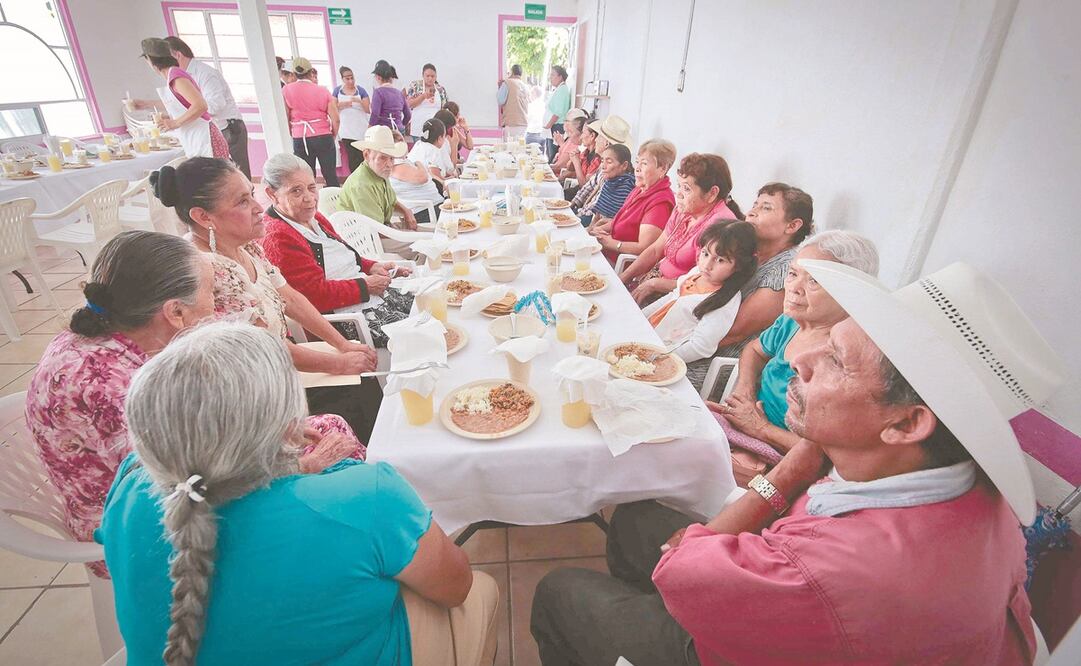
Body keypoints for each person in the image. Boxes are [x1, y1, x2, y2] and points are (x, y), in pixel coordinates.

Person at [532, 258, 1060, 665]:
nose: (798, 358)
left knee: (559, 591)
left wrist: (789, 470)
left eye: (835, 359)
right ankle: (662, 620)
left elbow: (680, 566)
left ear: (904, 424)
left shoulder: (832, 570)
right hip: (818, 624)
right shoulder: (969, 491)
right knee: (637, 518)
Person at [98, 321, 500, 665]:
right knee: (482, 590)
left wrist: (293, 463)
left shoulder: (131, 483)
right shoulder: (364, 496)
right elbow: (454, 587)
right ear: (288, 423)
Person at [24, 232, 356, 580]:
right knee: (333, 457)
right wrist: (301, 468)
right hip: (140, 530)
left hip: (160, 488)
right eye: (210, 293)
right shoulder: (113, 387)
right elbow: (183, 491)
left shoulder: (115, 340)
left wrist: (269, 429)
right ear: (176, 312)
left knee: (324, 430)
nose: (215, 305)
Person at [151, 157, 382, 441]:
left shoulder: (246, 247)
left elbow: (292, 299)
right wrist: (339, 363)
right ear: (203, 217)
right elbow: (268, 346)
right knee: (357, 394)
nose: (259, 208)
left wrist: (343, 345)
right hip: (256, 395)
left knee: (364, 379)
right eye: (243, 202)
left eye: (252, 194)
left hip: (280, 368)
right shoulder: (205, 270)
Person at [713, 231, 879, 483]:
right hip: (749, 423)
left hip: (786, 460)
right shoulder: (792, 321)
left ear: (850, 292)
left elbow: (827, 455)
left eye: (814, 281)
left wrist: (762, 429)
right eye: (793, 274)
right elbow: (755, 350)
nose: (793, 288)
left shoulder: (851, 357)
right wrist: (745, 389)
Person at [259, 153, 415, 348]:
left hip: (367, 295)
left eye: (311, 188)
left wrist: (372, 266)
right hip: (344, 318)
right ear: (272, 194)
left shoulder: (313, 217)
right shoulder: (277, 236)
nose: (309, 198)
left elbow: (343, 253)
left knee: (429, 309)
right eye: (296, 191)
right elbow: (313, 296)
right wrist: (366, 286)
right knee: (419, 336)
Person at [643, 220, 758, 387]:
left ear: (739, 266)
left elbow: (701, 347)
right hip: (650, 338)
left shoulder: (724, 301)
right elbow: (672, 297)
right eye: (705, 254)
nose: (707, 265)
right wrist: (641, 318)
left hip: (665, 356)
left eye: (720, 260)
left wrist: (660, 358)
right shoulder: (697, 273)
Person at [620, 153, 742, 305]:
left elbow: (703, 282)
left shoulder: (721, 226)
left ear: (712, 193)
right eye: (679, 186)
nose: (678, 194)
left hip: (679, 296)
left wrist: (654, 284)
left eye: (687, 189)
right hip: (654, 279)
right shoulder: (683, 210)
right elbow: (656, 250)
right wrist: (622, 278)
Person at [713, 183, 814, 362]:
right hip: (702, 338)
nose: (751, 213)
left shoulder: (785, 271)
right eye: (754, 205)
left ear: (792, 226)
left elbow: (734, 331)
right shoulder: (747, 249)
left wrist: (678, 344)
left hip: (723, 359)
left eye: (766, 208)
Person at [164, 36, 250, 178]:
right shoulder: (184, 78)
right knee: (222, 179)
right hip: (214, 130)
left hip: (228, 128)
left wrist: (193, 111)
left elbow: (216, 104)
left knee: (237, 176)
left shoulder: (204, 73)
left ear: (177, 55)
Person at [134, 38, 229, 159]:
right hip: (196, 139)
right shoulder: (172, 76)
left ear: (151, 60)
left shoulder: (176, 76)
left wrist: (175, 122)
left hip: (205, 138)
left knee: (216, 177)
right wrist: (170, 118)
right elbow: (186, 105)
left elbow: (200, 106)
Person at [339, 125, 421, 259]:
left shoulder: (379, 173)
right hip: (368, 241)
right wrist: (404, 234)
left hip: (384, 229)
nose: (389, 164)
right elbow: (375, 230)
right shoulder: (361, 185)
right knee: (426, 246)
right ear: (366, 155)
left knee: (439, 234)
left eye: (391, 158)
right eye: (383, 158)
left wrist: (406, 211)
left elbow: (392, 201)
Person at [591, 139, 677, 263]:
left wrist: (613, 244)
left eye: (644, 164)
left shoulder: (660, 203)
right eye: (637, 162)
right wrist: (601, 230)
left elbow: (644, 248)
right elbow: (622, 220)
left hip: (618, 261)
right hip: (606, 250)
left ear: (663, 169)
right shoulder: (639, 189)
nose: (637, 168)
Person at [282, 57, 340, 188]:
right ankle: (335, 204)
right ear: (310, 72)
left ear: (294, 73)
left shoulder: (287, 90)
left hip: (300, 137)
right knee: (330, 174)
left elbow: (285, 115)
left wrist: (292, 133)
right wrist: (333, 134)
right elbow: (335, 118)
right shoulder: (322, 90)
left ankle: (310, 204)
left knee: (306, 176)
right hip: (323, 135)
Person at [388, 118, 452, 225]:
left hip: (430, 207)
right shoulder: (397, 164)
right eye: (400, 141)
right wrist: (419, 163)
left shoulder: (403, 161)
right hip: (426, 212)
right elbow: (422, 178)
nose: (403, 143)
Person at [582, 143, 636, 226]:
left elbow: (621, 222)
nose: (603, 166)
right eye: (602, 161)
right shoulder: (608, 182)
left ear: (624, 165)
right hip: (597, 229)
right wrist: (589, 231)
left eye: (609, 162)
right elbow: (597, 216)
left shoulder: (628, 188)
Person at [333, 65, 371, 173]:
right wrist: (343, 104)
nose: (350, 81)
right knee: (352, 156)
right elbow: (332, 107)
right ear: (342, 79)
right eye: (347, 78)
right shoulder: (337, 91)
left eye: (352, 77)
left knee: (363, 155)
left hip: (361, 129)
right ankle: (355, 179)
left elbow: (368, 109)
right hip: (346, 130)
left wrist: (359, 101)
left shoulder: (361, 90)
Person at [404, 63, 448, 142]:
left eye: (432, 76)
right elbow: (409, 104)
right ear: (423, 75)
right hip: (419, 127)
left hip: (436, 129)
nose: (430, 78)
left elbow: (444, 109)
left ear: (436, 76)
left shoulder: (441, 89)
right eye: (427, 76)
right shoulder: (415, 86)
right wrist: (423, 96)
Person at [370, 60, 411, 133]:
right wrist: (401, 124)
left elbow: (375, 114)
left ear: (378, 77)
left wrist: (369, 128)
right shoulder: (399, 94)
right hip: (399, 131)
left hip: (384, 132)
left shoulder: (378, 92)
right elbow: (408, 115)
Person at [544, 65, 572, 160]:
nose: (550, 78)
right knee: (549, 153)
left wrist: (548, 125)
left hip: (556, 127)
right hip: (553, 126)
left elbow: (558, 112)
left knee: (553, 155)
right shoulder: (559, 89)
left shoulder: (562, 90)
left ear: (560, 77)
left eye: (552, 75)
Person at [497, 64, 529, 142]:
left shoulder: (507, 83)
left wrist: (500, 88)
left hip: (511, 123)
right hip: (523, 123)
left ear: (512, 72)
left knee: (509, 149)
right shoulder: (525, 86)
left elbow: (500, 100)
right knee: (520, 149)